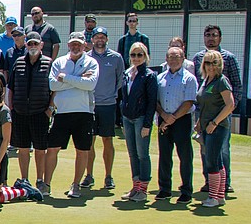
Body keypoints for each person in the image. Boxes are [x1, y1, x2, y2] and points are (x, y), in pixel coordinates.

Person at [45, 32, 99, 200]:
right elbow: (53, 84)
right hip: (61, 113)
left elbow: (90, 85)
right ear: (69, 45)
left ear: (84, 45)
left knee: (82, 150)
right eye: (73, 44)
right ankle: (46, 185)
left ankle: (75, 185)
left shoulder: (91, 62)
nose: (76, 47)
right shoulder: (59, 62)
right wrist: (77, 80)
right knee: (52, 149)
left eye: (79, 44)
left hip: (84, 113)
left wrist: (65, 78)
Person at [0, 74, 41, 205]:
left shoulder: (3, 110)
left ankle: (23, 190)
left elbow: (6, 140)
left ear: (0, 89)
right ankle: (4, 188)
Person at [193, 24, 244, 193]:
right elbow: (198, 86)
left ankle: (224, 184)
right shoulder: (199, 58)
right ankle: (210, 182)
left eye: (214, 35)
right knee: (205, 149)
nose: (211, 38)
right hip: (203, 113)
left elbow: (237, 86)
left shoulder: (229, 58)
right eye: (208, 35)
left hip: (220, 116)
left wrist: (229, 108)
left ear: (220, 38)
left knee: (222, 150)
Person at [9, 32, 53, 193]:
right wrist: (12, 107)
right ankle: (24, 179)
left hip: (40, 113)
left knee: (41, 149)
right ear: (26, 45)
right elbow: (11, 87)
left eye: (36, 44)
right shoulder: (19, 62)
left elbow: (54, 90)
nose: (33, 46)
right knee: (23, 148)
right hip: (20, 112)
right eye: (30, 44)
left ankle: (40, 180)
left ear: (41, 45)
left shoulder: (49, 63)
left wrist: (50, 109)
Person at [155, 47, 198, 204]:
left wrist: (172, 118)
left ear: (183, 58)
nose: (173, 60)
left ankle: (186, 190)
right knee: (164, 155)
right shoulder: (159, 78)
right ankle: (164, 189)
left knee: (185, 156)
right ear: (166, 59)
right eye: (171, 57)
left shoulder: (189, 78)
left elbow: (189, 102)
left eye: (177, 57)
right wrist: (164, 117)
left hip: (182, 120)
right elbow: (156, 101)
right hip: (163, 119)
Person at [84, 26, 125, 190]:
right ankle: (89, 175)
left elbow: (120, 79)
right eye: (97, 37)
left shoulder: (116, 58)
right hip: (90, 105)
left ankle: (108, 176)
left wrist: (112, 94)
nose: (100, 40)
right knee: (89, 141)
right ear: (92, 40)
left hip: (108, 105)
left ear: (107, 39)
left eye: (103, 37)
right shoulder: (86, 58)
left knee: (107, 140)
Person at [195, 50, 235, 208]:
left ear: (220, 64)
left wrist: (215, 122)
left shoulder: (221, 81)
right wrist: (200, 122)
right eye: (207, 63)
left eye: (214, 63)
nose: (211, 66)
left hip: (217, 128)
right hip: (206, 126)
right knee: (216, 161)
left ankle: (214, 196)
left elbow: (230, 105)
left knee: (212, 161)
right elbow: (204, 104)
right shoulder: (206, 80)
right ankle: (219, 196)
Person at [119, 42, 158, 202]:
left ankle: (143, 189)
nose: (136, 58)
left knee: (142, 154)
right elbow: (123, 98)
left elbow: (152, 102)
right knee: (132, 153)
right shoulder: (127, 74)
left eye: (139, 55)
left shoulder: (149, 75)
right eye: (133, 55)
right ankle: (135, 187)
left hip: (141, 118)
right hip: (128, 118)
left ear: (145, 56)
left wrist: (147, 124)